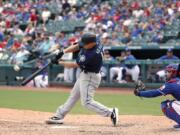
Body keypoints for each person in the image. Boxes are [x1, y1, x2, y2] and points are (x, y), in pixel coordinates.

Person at [46, 33, 119, 126]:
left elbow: (74, 65)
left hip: (90, 77)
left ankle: (111, 112)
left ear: (91, 44)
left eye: (85, 44)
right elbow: (77, 46)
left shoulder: (92, 55)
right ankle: (59, 115)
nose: (83, 45)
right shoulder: (95, 42)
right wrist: (63, 52)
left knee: (87, 102)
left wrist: (58, 62)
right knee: (73, 95)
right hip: (86, 74)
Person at [134, 64, 180, 129]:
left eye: (169, 72)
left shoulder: (171, 84)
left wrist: (139, 93)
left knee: (166, 105)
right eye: (167, 71)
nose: (167, 73)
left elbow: (155, 93)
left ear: (175, 73)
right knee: (175, 102)